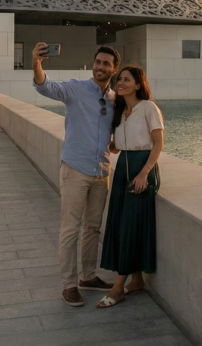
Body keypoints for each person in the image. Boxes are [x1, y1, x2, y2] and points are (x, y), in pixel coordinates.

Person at [32, 42, 120, 307]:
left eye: (106, 63)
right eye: (98, 62)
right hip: (75, 169)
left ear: (113, 69)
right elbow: (46, 86)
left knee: (93, 229)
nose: (100, 67)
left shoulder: (116, 99)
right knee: (70, 229)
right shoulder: (76, 88)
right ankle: (69, 285)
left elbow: (115, 136)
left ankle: (88, 276)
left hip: (101, 171)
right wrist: (37, 63)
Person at [96, 65, 164, 308]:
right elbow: (117, 146)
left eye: (126, 79)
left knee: (129, 226)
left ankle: (117, 288)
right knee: (121, 223)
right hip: (123, 166)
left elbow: (158, 144)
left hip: (141, 168)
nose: (121, 83)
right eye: (119, 79)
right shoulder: (120, 110)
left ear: (138, 84)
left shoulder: (148, 107)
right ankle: (136, 281)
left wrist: (144, 173)